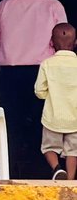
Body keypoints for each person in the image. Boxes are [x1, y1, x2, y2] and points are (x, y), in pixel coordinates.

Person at [0, 0, 67, 177]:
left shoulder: (3, 5)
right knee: (44, 122)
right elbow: (62, 39)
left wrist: (0, 63)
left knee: (9, 123)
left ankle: (5, 170)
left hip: (10, 71)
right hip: (42, 71)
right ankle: (45, 170)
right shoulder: (53, 5)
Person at [35, 21, 77, 179]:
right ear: (75, 43)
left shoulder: (47, 64)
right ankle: (71, 181)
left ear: (51, 43)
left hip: (53, 117)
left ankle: (57, 168)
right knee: (73, 151)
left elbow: (39, 91)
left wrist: (51, 97)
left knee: (49, 147)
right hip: (75, 118)